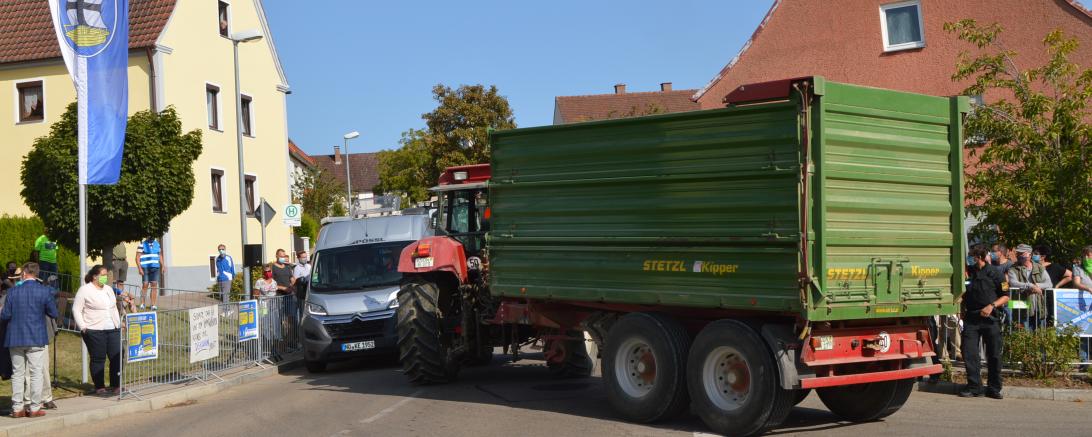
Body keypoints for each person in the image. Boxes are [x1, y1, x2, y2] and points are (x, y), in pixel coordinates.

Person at [0, 263, 58, 417]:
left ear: (24, 273)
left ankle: (17, 408)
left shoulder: (13, 292)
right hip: (36, 336)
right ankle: (34, 408)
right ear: (36, 274)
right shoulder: (44, 291)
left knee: (17, 373)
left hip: (15, 337)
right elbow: (53, 312)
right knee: (36, 373)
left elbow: (5, 315)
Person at [960, 244, 1009, 400]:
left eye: (971, 257)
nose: (970, 260)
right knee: (969, 353)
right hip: (972, 319)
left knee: (994, 355)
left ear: (978, 257)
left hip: (990, 318)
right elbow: (963, 292)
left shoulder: (996, 273)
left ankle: (994, 388)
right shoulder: (969, 273)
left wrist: (991, 305)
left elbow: (1006, 295)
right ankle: (974, 387)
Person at [73, 265, 122, 395]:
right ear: (95, 276)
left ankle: (116, 385)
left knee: (117, 356)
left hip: (113, 328)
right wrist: (83, 327)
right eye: (103, 275)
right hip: (94, 329)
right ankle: (99, 386)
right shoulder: (85, 290)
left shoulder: (108, 289)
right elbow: (76, 310)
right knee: (98, 358)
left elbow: (113, 308)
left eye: (106, 275)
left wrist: (119, 323)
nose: (105, 278)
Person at [1007, 244, 1052, 330]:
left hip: (1038, 305)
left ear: (1029, 255)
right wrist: (1030, 286)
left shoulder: (1039, 267)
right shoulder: (1013, 268)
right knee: (1023, 333)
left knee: (1039, 333)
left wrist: (1036, 286)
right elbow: (1013, 283)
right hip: (1021, 306)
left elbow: (1049, 284)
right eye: (1018, 253)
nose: (1019, 255)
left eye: (1021, 253)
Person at [136, 237, 164, 311]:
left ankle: (153, 305)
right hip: (145, 268)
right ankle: (142, 303)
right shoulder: (142, 244)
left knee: (154, 285)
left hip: (155, 267)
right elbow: (137, 257)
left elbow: (160, 255)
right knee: (145, 285)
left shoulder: (157, 244)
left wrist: (163, 266)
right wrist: (139, 268)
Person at [291, 250, 311, 318]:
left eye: (305, 257)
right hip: (302, 294)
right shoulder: (297, 268)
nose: (305, 259)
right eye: (303, 257)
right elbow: (295, 281)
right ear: (299, 258)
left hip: (309, 293)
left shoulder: (309, 266)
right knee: (302, 313)